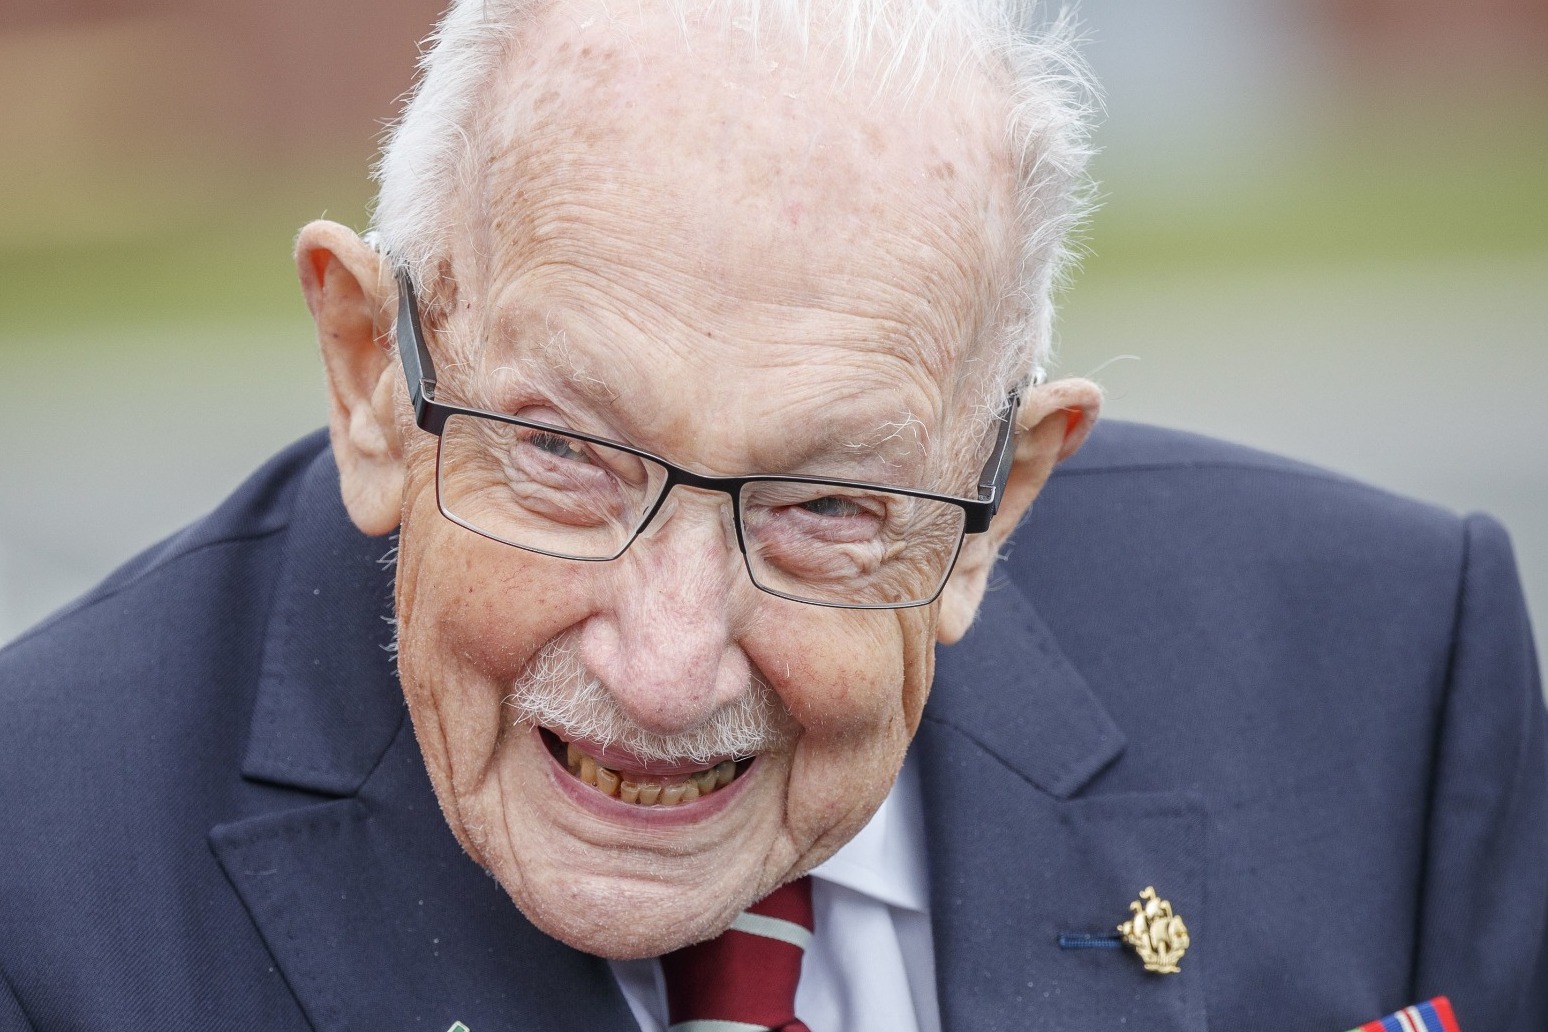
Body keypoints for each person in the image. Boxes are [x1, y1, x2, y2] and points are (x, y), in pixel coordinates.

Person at [1, 0, 1544, 1029]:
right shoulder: (40, 878)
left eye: (828, 502)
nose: (668, 668)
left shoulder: (1394, 664)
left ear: (994, 505)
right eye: (569, 455)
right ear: (372, 380)